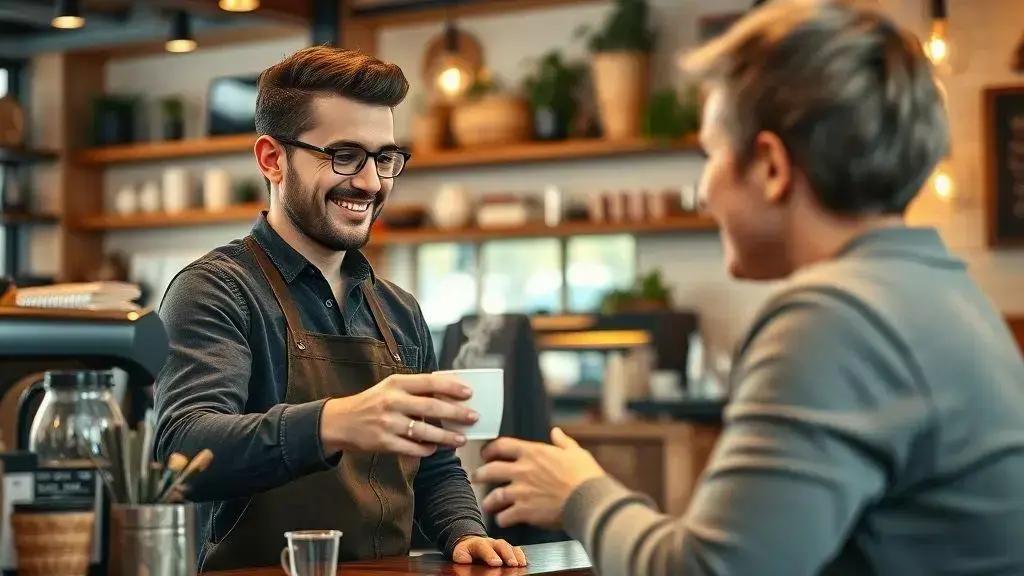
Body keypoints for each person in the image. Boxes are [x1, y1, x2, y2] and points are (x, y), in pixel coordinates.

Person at [474, 1, 1024, 574]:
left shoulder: (835, 319)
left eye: (709, 155)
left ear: (769, 167)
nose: (705, 191)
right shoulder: (947, 293)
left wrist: (581, 493)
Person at [154, 46, 526, 571]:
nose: (372, 182)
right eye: (344, 156)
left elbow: (436, 465)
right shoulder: (217, 290)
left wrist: (464, 532)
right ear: (271, 158)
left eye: (385, 158)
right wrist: (334, 422)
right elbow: (182, 449)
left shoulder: (398, 311)